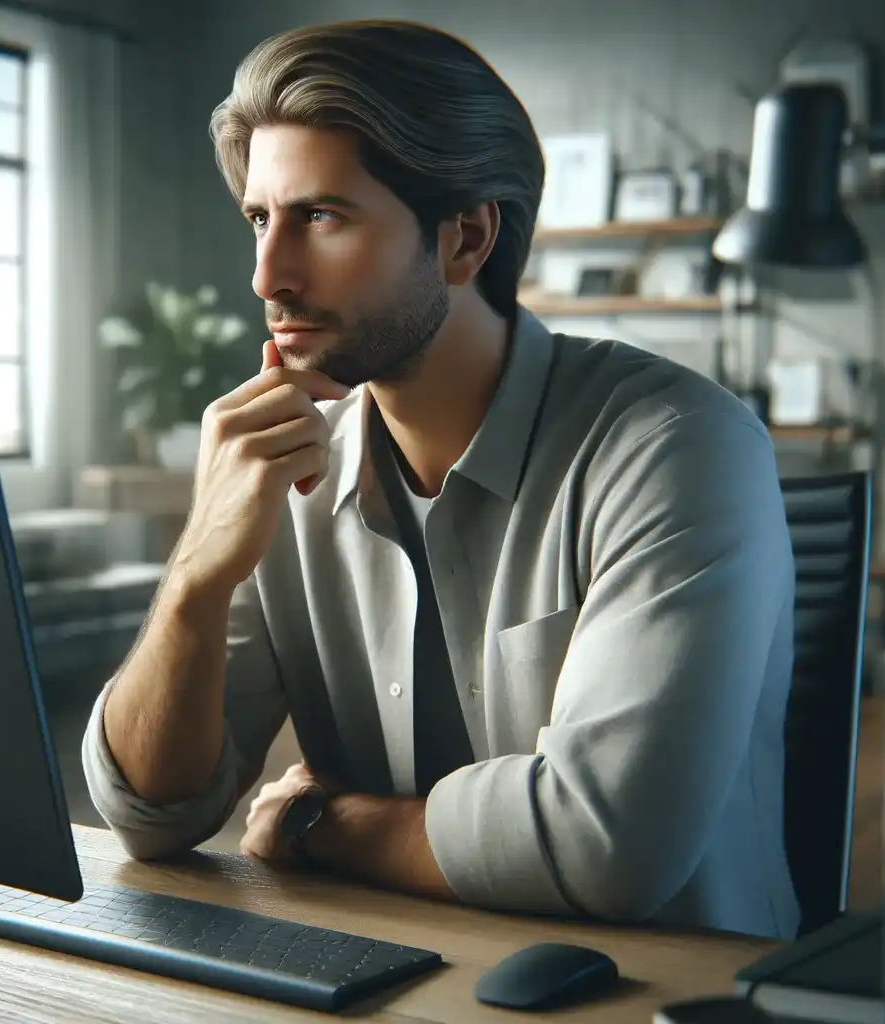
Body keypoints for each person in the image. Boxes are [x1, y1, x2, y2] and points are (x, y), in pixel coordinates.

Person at [81, 18, 800, 941]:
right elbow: (152, 817)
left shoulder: (678, 447)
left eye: (321, 217)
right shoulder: (291, 463)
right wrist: (195, 578)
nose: (269, 274)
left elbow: (609, 845)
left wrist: (318, 823)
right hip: (390, 980)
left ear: (464, 239)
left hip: (655, 991)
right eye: (261, 219)